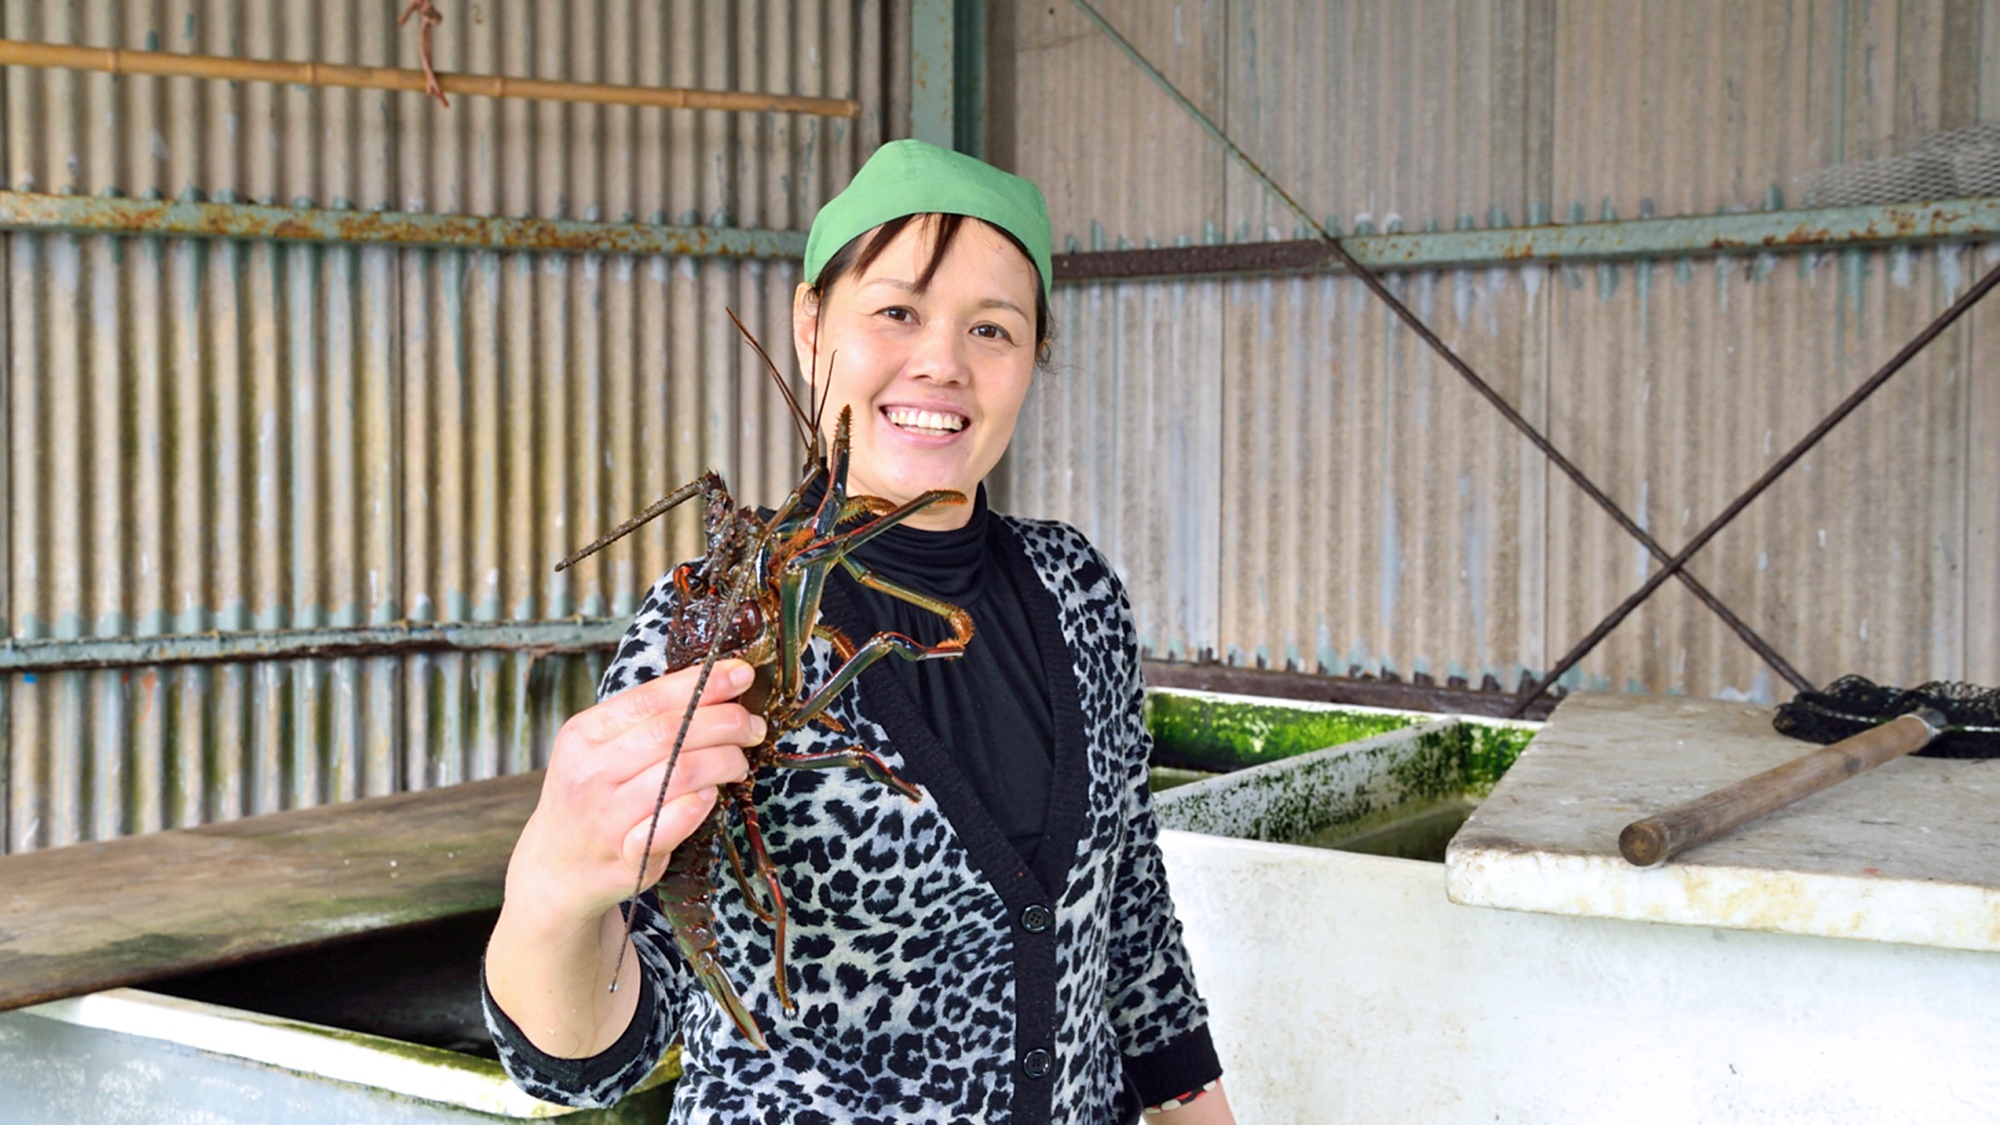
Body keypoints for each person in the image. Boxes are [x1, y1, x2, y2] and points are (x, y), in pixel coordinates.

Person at [482, 139, 1236, 1125]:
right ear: (808, 323)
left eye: (993, 330)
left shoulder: (1075, 586)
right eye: (895, 312)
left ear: (1032, 359)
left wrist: (1195, 1106)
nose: (942, 363)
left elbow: (1129, 917)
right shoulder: (708, 620)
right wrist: (552, 883)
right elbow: (585, 1065)